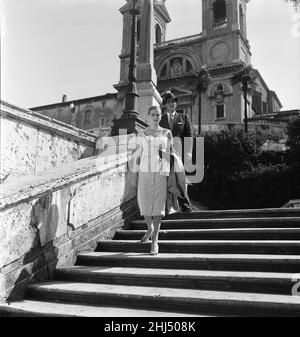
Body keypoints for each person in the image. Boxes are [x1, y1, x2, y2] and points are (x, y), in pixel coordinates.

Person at [131, 105, 174, 255]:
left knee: (158, 206)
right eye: (153, 115)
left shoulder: (167, 133)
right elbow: (137, 154)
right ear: (148, 116)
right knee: (144, 202)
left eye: (158, 115)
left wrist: (168, 172)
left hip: (160, 172)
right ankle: (149, 228)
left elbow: (170, 153)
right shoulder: (141, 134)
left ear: (161, 116)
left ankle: (155, 240)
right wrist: (133, 171)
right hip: (144, 172)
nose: (156, 117)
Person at [159, 90, 193, 213]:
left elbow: (188, 136)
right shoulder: (160, 120)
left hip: (180, 153)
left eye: (173, 101)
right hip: (164, 154)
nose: (171, 104)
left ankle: (185, 205)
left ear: (176, 104)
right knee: (166, 179)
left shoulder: (184, 118)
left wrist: (188, 153)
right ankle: (167, 207)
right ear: (164, 105)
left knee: (181, 178)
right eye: (168, 102)